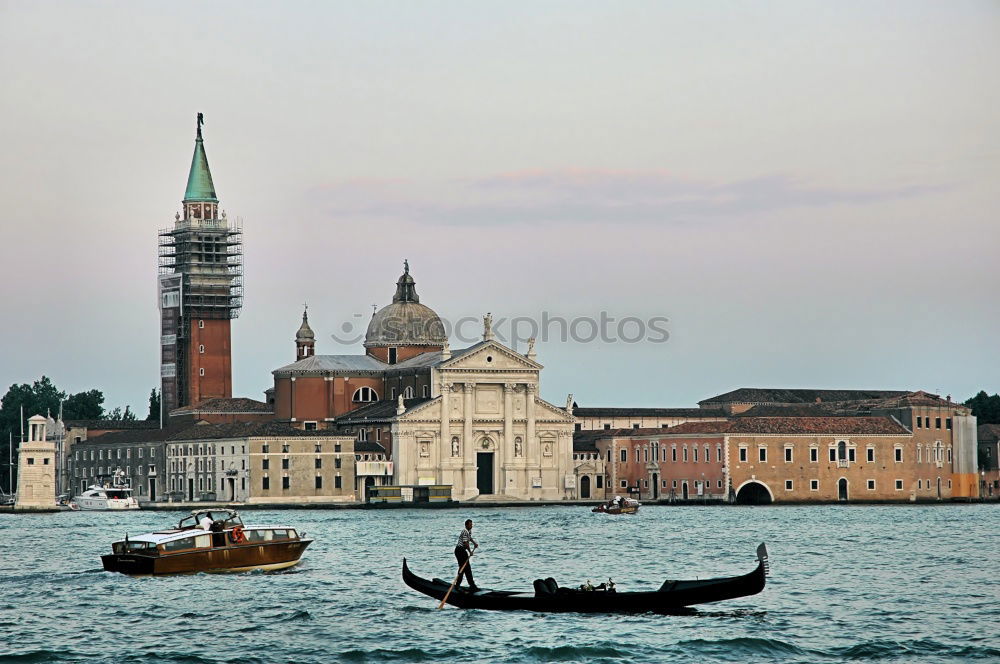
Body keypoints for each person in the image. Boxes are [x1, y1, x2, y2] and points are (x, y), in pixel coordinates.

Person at [454, 519, 479, 592]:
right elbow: (465, 543)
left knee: (466, 568)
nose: (472, 525)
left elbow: (469, 538)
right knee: (463, 567)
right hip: (459, 551)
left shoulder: (468, 531)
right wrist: (470, 551)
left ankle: (471, 585)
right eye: (470, 524)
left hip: (462, 551)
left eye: (472, 524)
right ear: (466, 525)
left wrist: (474, 543)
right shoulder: (465, 531)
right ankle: (458, 585)